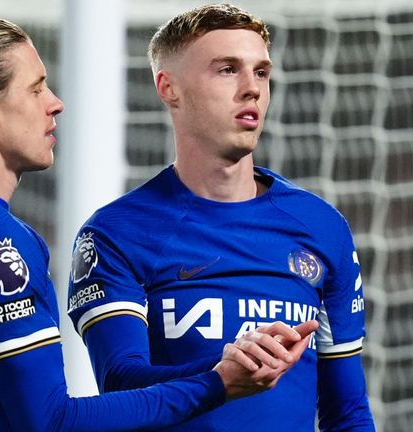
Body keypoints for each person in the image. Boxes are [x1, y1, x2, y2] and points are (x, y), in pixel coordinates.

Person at [0, 15, 317, 431]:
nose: (56, 104)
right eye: (36, 89)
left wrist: (220, 368)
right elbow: (52, 420)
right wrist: (216, 385)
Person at [67, 4, 375, 431]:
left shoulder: (321, 227)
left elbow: (349, 413)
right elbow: (120, 383)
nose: (251, 89)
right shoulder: (116, 233)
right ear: (168, 87)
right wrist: (225, 373)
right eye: (227, 70)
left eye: (262, 72)